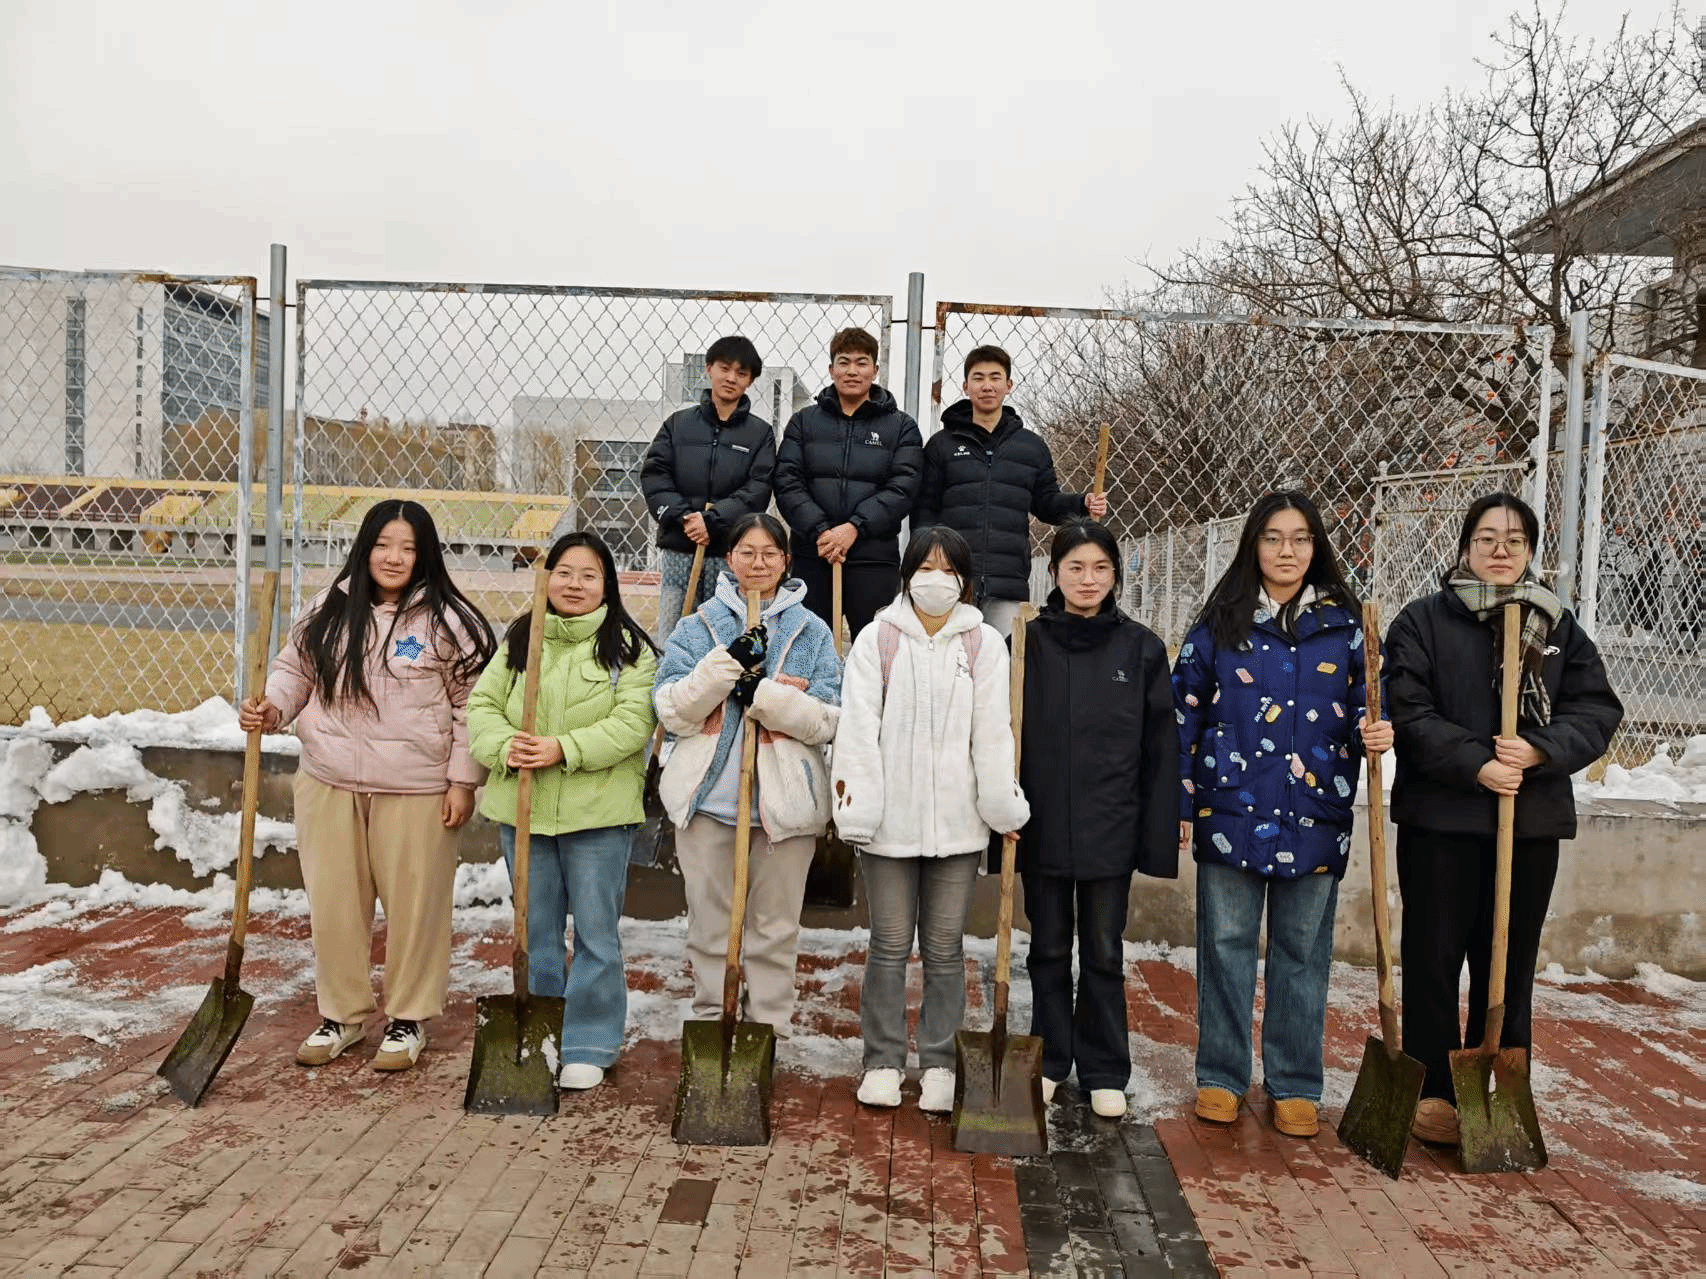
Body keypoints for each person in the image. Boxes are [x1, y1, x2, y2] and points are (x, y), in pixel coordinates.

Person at [1385, 491, 1622, 1146]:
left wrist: (1540, 749)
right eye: (1487, 538)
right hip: (1441, 823)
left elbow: (1596, 710)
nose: (1500, 550)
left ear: (1530, 551)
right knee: (1432, 960)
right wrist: (1477, 763)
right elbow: (1409, 710)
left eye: (1514, 541)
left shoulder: (1557, 627)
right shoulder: (1423, 621)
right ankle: (1436, 1090)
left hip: (1528, 824)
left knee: (1510, 966)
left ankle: (1492, 1087)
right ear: (1466, 546)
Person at [239, 499, 495, 1072]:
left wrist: (463, 782)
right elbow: (294, 671)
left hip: (417, 788)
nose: (393, 557)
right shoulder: (329, 608)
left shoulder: (452, 621)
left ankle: (408, 1018)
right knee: (335, 906)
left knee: (416, 909)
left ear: (426, 554)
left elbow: (474, 705)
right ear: (365, 548)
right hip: (329, 778)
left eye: (408, 547)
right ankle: (343, 1014)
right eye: (382, 544)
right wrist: (272, 708)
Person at [1172, 491, 1392, 1138]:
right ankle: (1221, 1075)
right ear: (1253, 545)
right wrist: (1181, 802)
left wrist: (1376, 728)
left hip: (1315, 812)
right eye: (1273, 537)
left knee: (1301, 949)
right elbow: (1182, 716)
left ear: (1316, 546)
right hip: (1229, 810)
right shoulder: (1220, 623)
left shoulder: (1348, 627)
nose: (1287, 551)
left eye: (1300, 538)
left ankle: (1294, 1081)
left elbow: (1371, 703)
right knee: (1225, 944)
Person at [830, 526, 1030, 1113]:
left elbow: (992, 734)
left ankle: (940, 1061)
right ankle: (883, 1060)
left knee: (944, 948)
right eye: (925, 567)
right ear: (907, 574)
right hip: (888, 825)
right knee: (889, 944)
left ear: (965, 581)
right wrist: (858, 809)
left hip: (957, 827)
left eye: (948, 569)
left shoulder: (983, 643)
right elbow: (857, 730)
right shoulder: (878, 639)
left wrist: (1000, 805)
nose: (935, 580)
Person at [466, 532, 658, 1091]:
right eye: (564, 573)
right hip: (523, 813)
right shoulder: (520, 640)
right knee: (536, 930)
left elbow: (633, 724)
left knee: (597, 933)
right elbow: (481, 706)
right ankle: (542, 1031)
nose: (575, 585)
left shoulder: (629, 648)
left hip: (598, 815)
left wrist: (562, 748)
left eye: (588, 575)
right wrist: (507, 746)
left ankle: (589, 1042)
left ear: (607, 584)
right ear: (546, 579)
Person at [653, 512, 842, 1037]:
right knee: (709, 924)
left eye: (770, 553)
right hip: (709, 803)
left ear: (786, 561)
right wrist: (722, 669)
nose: (758, 563)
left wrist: (766, 696)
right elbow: (670, 710)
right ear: (729, 558)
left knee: (774, 929)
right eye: (747, 552)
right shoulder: (697, 627)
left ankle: (768, 1028)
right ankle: (712, 1019)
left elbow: (829, 717)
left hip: (785, 808)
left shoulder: (812, 632)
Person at [1016, 521, 1175, 1118]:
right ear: (1054, 572)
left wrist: (1157, 828)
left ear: (1116, 574)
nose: (1088, 580)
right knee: (1048, 948)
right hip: (1041, 822)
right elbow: (999, 733)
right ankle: (1051, 1058)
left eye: (1101, 568)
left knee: (1104, 951)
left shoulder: (1141, 648)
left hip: (1112, 825)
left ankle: (1105, 1067)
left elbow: (1160, 748)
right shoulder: (1025, 643)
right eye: (1076, 567)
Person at [913, 346, 1109, 638]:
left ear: (1008, 385)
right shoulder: (942, 445)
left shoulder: (1031, 447)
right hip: (951, 579)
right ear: (966, 386)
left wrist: (1082, 503)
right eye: (978, 378)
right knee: (947, 657)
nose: (987, 386)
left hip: (1007, 581)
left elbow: (1046, 503)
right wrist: (929, 559)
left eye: (995, 377)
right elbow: (924, 510)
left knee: (1003, 658)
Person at [773, 327, 923, 640]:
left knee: (877, 648)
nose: (852, 371)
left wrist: (854, 527)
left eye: (861, 362)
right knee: (807, 645)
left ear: (875, 370)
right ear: (831, 370)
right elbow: (788, 481)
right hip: (814, 555)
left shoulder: (901, 427)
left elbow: (903, 487)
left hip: (873, 559)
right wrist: (822, 532)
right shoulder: (804, 422)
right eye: (844, 362)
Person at [640, 335, 777, 636]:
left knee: (726, 635)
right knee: (674, 632)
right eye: (724, 368)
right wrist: (684, 518)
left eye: (741, 373)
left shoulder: (760, 434)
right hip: (680, 547)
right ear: (709, 368)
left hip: (729, 552)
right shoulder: (678, 424)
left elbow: (758, 489)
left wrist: (713, 520)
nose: (731, 378)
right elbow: (655, 475)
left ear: (750, 380)